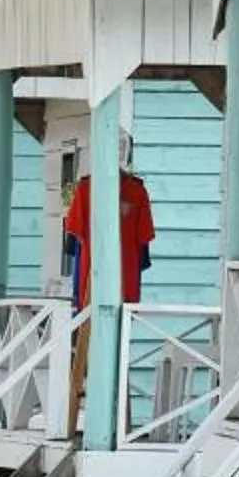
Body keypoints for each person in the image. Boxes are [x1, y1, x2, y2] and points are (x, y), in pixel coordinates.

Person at [62, 141, 156, 430]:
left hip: (99, 284)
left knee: (98, 356)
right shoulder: (94, 190)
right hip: (113, 283)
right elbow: (143, 249)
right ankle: (111, 422)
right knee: (102, 357)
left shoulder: (123, 191)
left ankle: (104, 423)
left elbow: (73, 241)